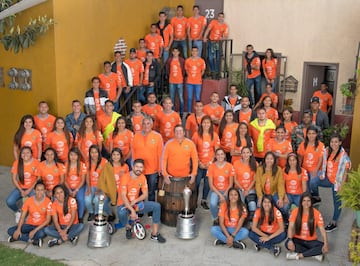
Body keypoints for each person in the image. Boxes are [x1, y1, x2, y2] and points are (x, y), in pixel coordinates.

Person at [117, 159, 166, 243]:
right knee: (121, 213)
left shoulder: (142, 177)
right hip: (123, 204)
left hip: (135, 203)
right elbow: (123, 196)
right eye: (136, 167)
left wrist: (135, 200)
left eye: (141, 167)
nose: (138, 169)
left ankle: (154, 234)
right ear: (133, 167)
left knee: (157, 206)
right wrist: (132, 211)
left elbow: (145, 194)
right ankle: (128, 227)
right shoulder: (125, 177)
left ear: (143, 169)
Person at [310, 134, 351, 232]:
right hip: (327, 178)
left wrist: (342, 184)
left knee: (337, 202)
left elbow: (346, 171)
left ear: (340, 143)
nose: (334, 144)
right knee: (313, 181)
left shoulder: (343, 156)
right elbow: (322, 161)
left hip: (336, 182)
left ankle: (334, 222)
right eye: (332, 142)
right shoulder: (327, 150)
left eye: (336, 142)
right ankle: (316, 197)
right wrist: (320, 172)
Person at [285, 192, 328, 262]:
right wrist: (290, 240)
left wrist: (326, 244)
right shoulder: (295, 211)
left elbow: (322, 230)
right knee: (287, 244)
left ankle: (299, 255)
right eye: (304, 201)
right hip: (298, 239)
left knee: (322, 247)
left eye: (308, 201)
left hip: (311, 240)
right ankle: (313, 254)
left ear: (311, 202)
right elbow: (290, 227)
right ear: (301, 202)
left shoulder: (316, 213)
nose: (306, 203)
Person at [7, 180, 51, 247]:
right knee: (10, 231)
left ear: (45, 191)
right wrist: (18, 229)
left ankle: (18, 237)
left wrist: (35, 230)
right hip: (29, 225)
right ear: (34, 190)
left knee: (41, 234)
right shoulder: (29, 200)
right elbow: (22, 217)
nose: (40, 192)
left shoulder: (48, 202)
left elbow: (48, 220)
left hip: (41, 226)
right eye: (38, 190)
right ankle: (32, 240)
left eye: (42, 190)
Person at [132, 117, 163, 202]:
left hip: (153, 169)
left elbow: (161, 154)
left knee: (151, 191)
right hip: (139, 169)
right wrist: (133, 167)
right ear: (142, 125)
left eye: (148, 123)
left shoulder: (157, 136)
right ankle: (140, 209)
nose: (146, 126)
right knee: (139, 191)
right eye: (144, 124)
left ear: (152, 125)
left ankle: (150, 210)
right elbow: (133, 152)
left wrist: (160, 168)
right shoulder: (136, 136)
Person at [192, 115, 220, 209]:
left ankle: (204, 200)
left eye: (208, 122)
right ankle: (194, 200)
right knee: (197, 182)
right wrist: (199, 161)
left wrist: (210, 162)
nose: (206, 124)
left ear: (211, 124)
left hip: (209, 164)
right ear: (201, 124)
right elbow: (193, 149)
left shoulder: (214, 135)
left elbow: (217, 151)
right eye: (204, 122)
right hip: (199, 163)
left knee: (208, 184)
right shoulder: (196, 135)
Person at [6, 146, 39, 223]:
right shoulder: (17, 163)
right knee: (9, 201)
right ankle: (18, 212)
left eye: (27, 152)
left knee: (36, 203)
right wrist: (21, 190)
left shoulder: (36, 163)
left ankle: (31, 215)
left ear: (31, 154)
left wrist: (29, 190)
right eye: (23, 153)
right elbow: (14, 179)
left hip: (32, 188)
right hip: (20, 188)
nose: (25, 154)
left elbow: (38, 179)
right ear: (20, 154)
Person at [97, 148, 129, 221]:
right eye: (114, 154)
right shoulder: (107, 166)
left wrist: (124, 175)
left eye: (118, 154)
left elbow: (129, 181)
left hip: (121, 191)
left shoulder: (125, 166)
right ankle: (110, 214)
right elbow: (102, 180)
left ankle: (123, 214)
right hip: (109, 190)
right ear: (111, 156)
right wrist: (103, 192)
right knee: (101, 202)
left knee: (121, 207)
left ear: (121, 156)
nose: (115, 157)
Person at [297, 125, 325, 203]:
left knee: (313, 182)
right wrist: (299, 169)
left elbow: (321, 159)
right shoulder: (303, 144)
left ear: (316, 135)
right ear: (307, 134)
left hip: (316, 169)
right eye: (309, 133)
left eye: (313, 133)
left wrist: (316, 170)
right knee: (306, 187)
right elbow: (300, 158)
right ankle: (310, 197)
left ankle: (316, 196)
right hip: (305, 169)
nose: (311, 135)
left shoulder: (320, 145)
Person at [208, 148, 234, 223]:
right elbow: (211, 185)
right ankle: (215, 218)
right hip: (215, 191)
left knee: (227, 205)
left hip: (227, 190)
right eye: (218, 154)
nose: (220, 156)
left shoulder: (229, 166)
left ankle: (227, 219)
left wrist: (225, 194)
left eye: (222, 154)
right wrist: (220, 195)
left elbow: (231, 184)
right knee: (213, 204)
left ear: (225, 155)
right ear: (215, 156)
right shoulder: (211, 167)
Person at [232, 146, 257, 219]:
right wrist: (242, 189)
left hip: (250, 189)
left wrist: (247, 190)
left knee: (252, 205)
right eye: (244, 153)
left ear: (250, 154)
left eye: (247, 152)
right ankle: (243, 220)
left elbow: (254, 180)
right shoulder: (236, 163)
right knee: (241, 206)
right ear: (241, 154)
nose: (246, 155)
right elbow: (235, 180)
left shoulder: (254, 164)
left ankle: (251, 222)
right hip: (239, 189)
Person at [85, 145, 108, 221]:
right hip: (91, 185)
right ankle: (91, 212)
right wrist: (88, 188)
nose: (94, 154)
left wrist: (101, 189)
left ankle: (96, 213)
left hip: (101, 186)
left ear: (99, 153)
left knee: (96, 200)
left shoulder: (104, 161)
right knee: (87, 199)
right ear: (89, 153)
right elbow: (87, 176)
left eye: (96, 152)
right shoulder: (88, 162)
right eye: (92, 152)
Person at [64, 148, 87, 223]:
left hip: (79, 187)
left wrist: (76, 190)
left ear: (78, 156)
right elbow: (64, 180)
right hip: (68, 187)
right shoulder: (66, 164)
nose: (73, 157)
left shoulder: (82, 165)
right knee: (66, 200)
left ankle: (80, 217)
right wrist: (70, 190)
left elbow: (83, 180)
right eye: (71, 155)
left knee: (81, 200)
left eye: (75, 155)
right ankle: (67, 217)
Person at [203, 12, 229, 79]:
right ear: (217, 17)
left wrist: (222, 38)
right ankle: (212, 70)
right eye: (219, 16)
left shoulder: (225, 26)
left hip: (218, 43)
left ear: (223, 18)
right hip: (211, 42)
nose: (220, 18)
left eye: (222, 17)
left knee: (218, 58)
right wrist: (204, 37)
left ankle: (216, 72)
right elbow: (208, 29)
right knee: (210, 58)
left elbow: (225, 36)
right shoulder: (213, 22)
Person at [283, 153, 308, 217]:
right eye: (290, 160)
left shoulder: (302, 171)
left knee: (303, 209)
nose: (292, 162)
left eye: (294, 160)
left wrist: (303, 199)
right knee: (284, 207)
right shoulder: (284, 170)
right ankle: (288, 219)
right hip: (288, 194)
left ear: (297, 161)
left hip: (299, 195)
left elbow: (304, 187)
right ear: (288, 162)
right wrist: (285, 197)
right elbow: (282, 185)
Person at [184, 46, 206, 113]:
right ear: (191, 52)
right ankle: (189, 112)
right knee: (189, 98)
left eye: (196, 51)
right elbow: (186, 70)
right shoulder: (188, 60)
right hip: (190, 82)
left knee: (197, 98)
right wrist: (190, 76)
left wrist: (198, 76)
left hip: (198, 82)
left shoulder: (201, 61)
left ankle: (198, 112)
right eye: (193, 51)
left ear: (198, 52)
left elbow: (203, 70)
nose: (194, 52)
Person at [165, 46, 185, 117]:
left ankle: (181, 113)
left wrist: (181, 77)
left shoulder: (182, 60)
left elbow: (183, 70)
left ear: (179, 53)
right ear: (172, 52)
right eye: (174, 51)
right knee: (172, 98)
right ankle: (172, 112)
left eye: (177, 51)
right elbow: (167, 69)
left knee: (181, 98)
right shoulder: (169, 60)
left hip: (179, 81)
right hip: (172, 81)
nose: (175, 53)